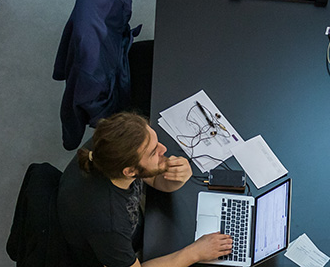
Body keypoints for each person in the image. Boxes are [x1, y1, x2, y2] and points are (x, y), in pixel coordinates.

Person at [57, 112, 233, 267]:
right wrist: (195, 252)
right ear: (130, 171)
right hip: (109, 251)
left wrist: (178, 176)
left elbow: (155, 179)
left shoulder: (112, 146)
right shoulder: (109, 224)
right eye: (153, 152)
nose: (163, 149)